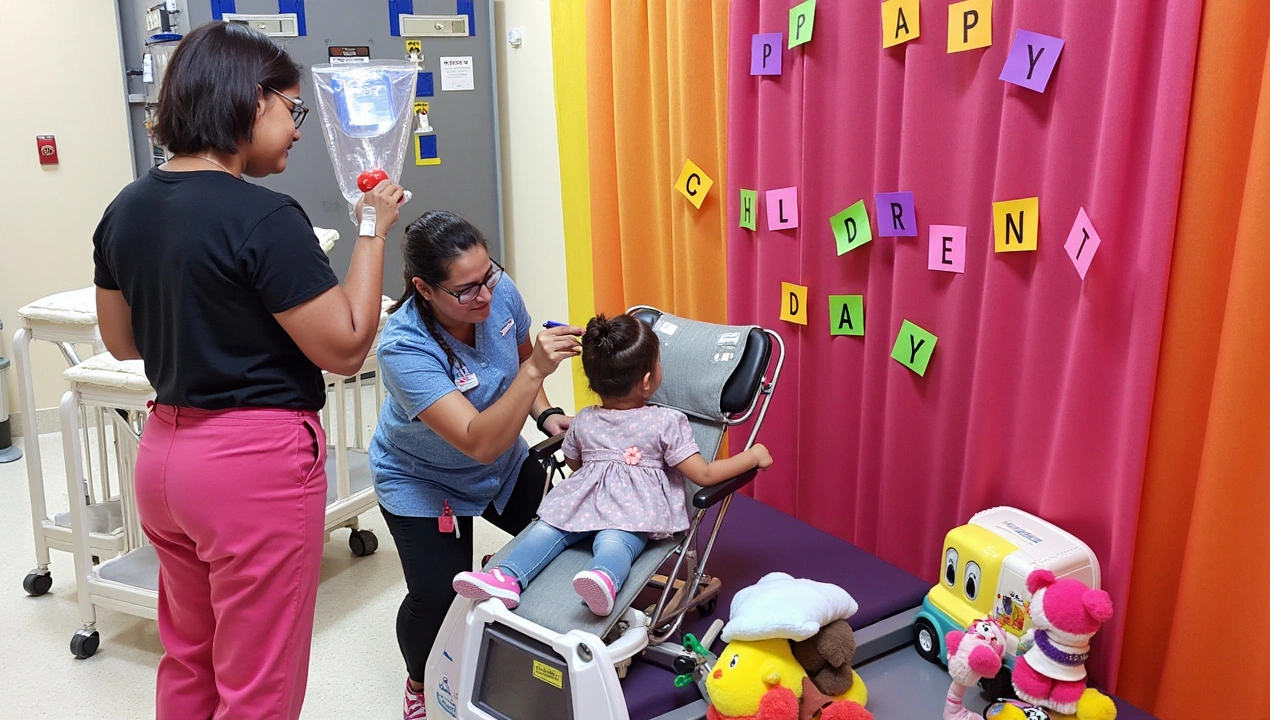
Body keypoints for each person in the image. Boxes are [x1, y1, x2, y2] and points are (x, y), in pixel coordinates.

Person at [92, 22, 403, 720]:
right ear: (248, 99)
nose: (295, 131)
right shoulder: (263, 218)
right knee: (258, 684)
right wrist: (372, 229)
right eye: (290, 111)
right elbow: (348, 346)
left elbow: (120, 341)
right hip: (250, 468)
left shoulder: (126, 208)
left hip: (166, 459)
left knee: (190, 659)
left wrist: (208, 321)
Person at [369, 210, 581, 720]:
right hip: (421, 477)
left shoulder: (496, 290)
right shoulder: (403, 347)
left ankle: (514, 611)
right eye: (466, 290)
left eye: (488, 276)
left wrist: (546, 411)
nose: (484, 295)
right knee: (437, 596)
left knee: (566, 539)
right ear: (423, 287)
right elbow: (475, 442)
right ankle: (419, 682)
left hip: (500, 461)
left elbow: (520, 353)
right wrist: (533, 373)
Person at [452, 313, 773, 616]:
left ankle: (505, 576)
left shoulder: (584, 420)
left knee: (546, 531)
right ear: (648, 381)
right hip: (634, 512)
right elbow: (703, 474)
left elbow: (575, 464)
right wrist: (752, 456)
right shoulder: (666, 422)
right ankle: (604, 578)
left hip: (580, 505)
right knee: (616, 543)